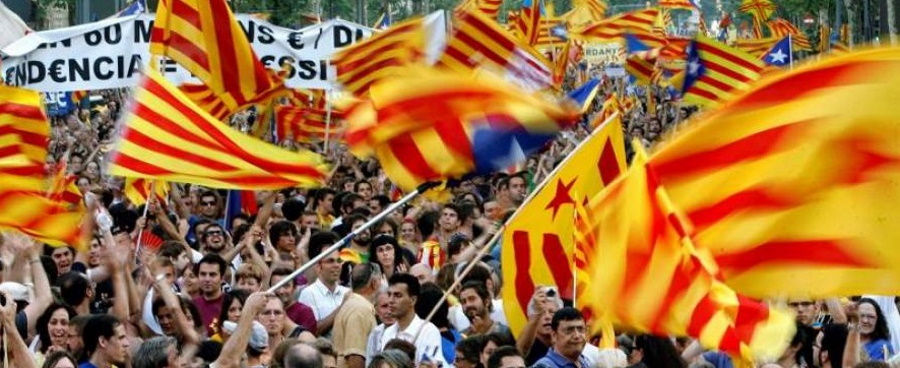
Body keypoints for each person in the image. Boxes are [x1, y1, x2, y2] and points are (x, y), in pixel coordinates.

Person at [378, 273, 447, 366]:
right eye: (389, 294)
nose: (390, 300)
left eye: (397, 295)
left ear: (413, 300)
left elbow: (432, 364)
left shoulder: (428, 331)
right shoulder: (388, 333)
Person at [298, 232, 350, 336]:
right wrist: (343, 307)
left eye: (339, 261)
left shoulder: (347, 292)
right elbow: (313, 331)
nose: (336, 265)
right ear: (318, 266)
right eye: (330, 261)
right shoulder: (308, 293)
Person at [333, 263, 381, 368]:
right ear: (374, 283)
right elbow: (355, 357)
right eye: (380, 280)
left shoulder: (352, 304)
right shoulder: (360, 309)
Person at [270, 267, 317, 332]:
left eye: (286, 286)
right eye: (276, 286)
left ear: (294, 288)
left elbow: (307, 339)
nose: (281, 291)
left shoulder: (305, 312)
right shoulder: (263, 310)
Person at [193, 253, 227, 336]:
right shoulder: (192, 305)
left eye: (212, 275)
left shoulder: (230, 304)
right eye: (203, 274)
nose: (207, 279)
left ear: (222, 278)